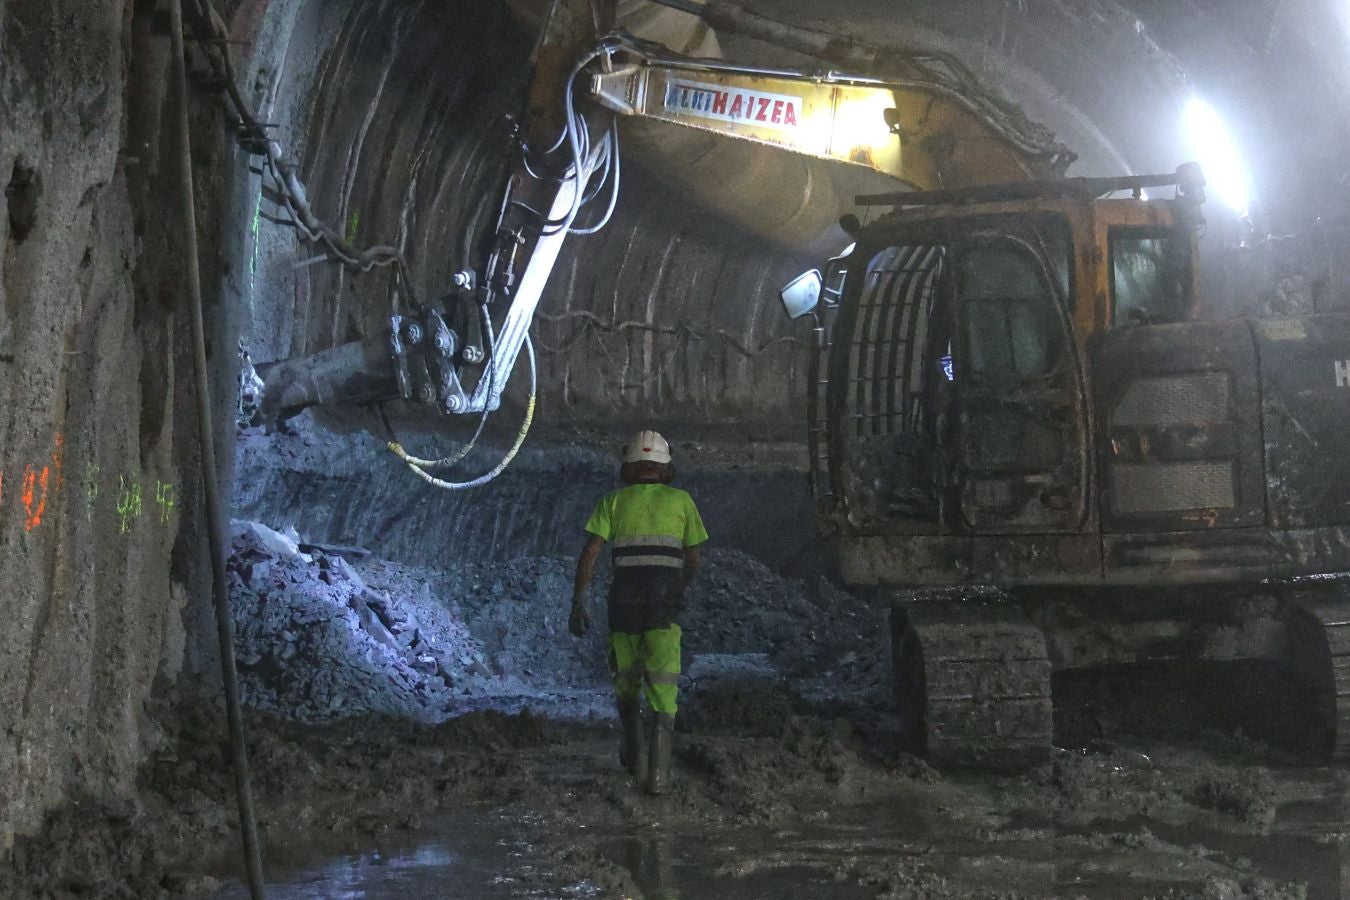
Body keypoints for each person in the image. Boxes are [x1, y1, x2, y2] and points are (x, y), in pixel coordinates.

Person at [570, 429, 708, 794]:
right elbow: (694, 559)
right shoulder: (682, 502)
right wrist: (680, 588)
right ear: (666, 469)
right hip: (664, 608)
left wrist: (578, 603)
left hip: (623, 606)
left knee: (627, 688)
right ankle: (658, 780)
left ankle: (634, 763)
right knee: (664, 695)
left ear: (628, 468)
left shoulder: (611, 502)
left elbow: (590, 555)